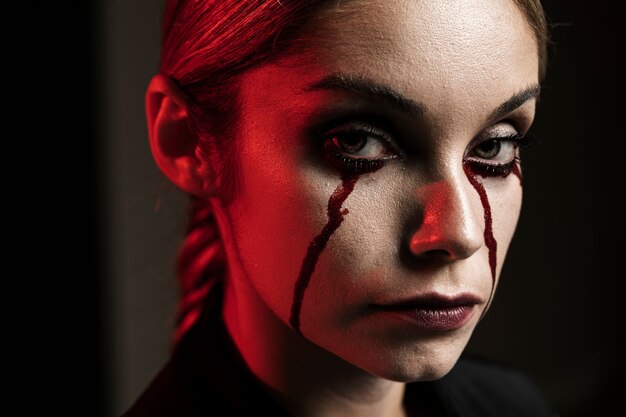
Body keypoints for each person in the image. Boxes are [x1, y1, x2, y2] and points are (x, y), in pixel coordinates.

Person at [124, 0, 554, 415]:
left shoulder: (513, 404)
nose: (460, 234)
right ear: (189, 142)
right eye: (357, 141)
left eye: (495, 146)